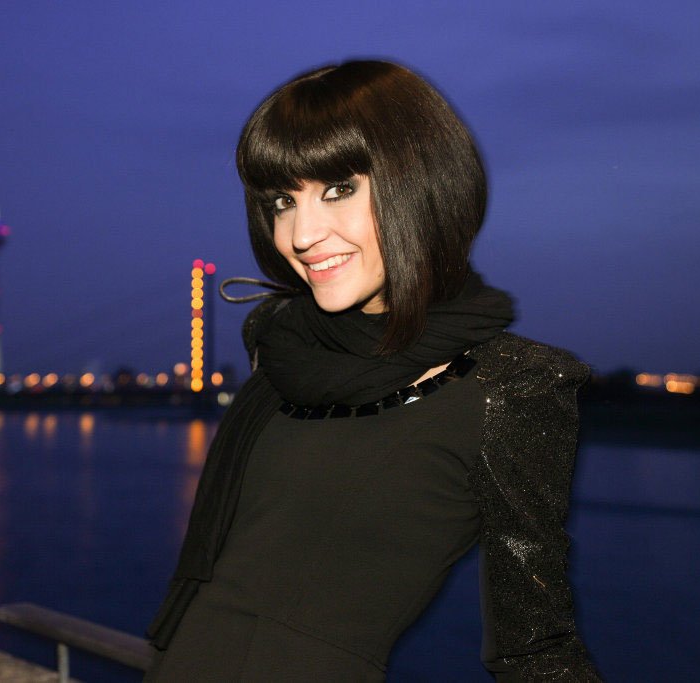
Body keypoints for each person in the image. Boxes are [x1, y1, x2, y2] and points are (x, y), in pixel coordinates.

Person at [145, 60, 601, 681]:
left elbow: (535, 647)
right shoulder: (278, 338)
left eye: (338, 189)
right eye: (283, 201)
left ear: (423, 185)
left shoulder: (513, 387)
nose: (301, 234)